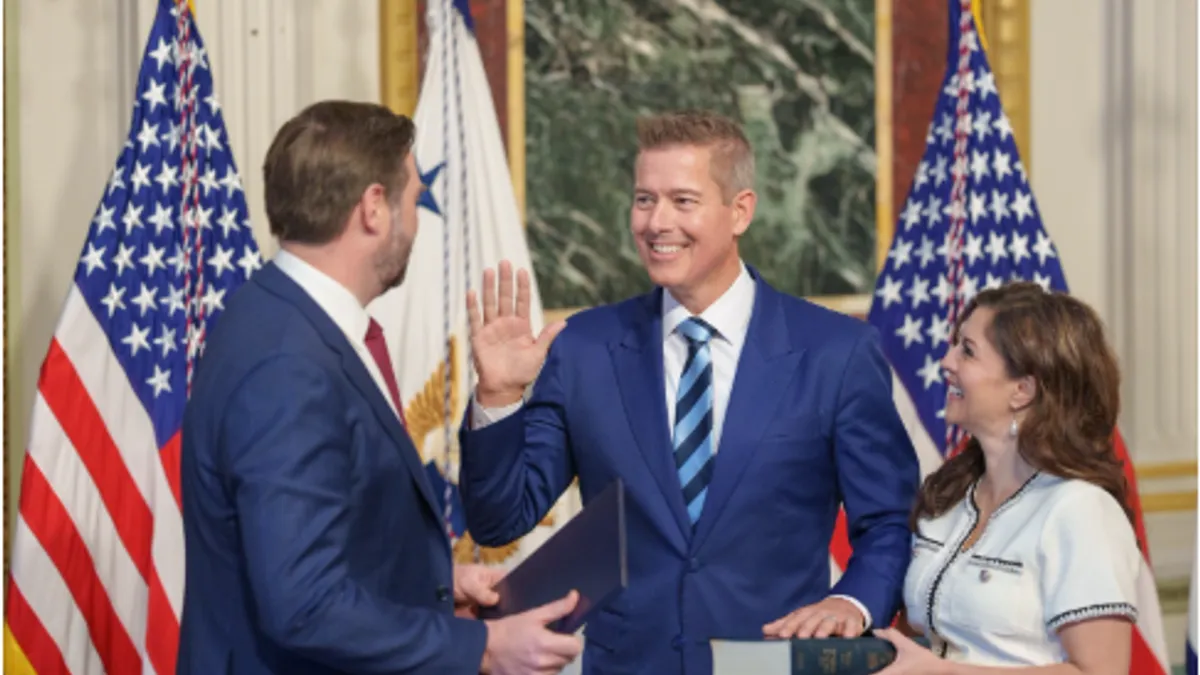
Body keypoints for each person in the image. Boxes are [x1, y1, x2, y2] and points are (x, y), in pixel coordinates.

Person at [457, 109, 921, 675]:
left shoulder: (836, 353)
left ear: (740, 211)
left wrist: (850, 602)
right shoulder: (583, 348)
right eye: (644, 199)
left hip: (772, 665)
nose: (656, 222)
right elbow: (501, 519)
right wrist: (500, 393)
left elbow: (889, 522)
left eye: (682, 201)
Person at [177, 100, 582, 675]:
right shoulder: (287, 365)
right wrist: (484, 650)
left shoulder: (276, 316)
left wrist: (435, 584)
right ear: (373, 208)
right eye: (413, 198)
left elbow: (315, 542)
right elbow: (304, 604)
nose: (415, 221)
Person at [872, 282, 1142, 674]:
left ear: (1022, 389)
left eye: (967, 351)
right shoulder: (950, 497)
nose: (946, 361)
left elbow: (1101, 672)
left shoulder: (1080, 509)